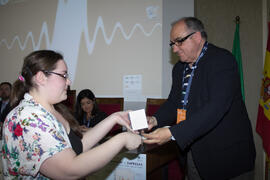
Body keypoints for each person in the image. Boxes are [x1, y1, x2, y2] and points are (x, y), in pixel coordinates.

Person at [142, 17, 256, 180]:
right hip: (193, 155)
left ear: (196, 37)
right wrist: (155, 119)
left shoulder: (222, 60)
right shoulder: (179, 69)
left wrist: (172, 133)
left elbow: (216, 108)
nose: (174, 49)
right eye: (172, 44)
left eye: (178, 42)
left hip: (228, 159)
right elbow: (174, 102)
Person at [1, 50, 142, 179]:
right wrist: (122, 139)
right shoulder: (28, 117)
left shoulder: (51, 111)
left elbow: (77, 147)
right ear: (41, 78)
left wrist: (115, 117)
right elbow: (69, 171)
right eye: (64, 75)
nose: (68, 81)